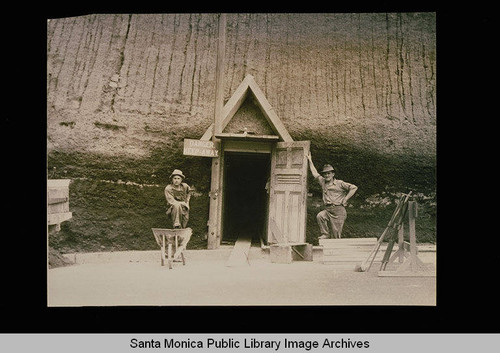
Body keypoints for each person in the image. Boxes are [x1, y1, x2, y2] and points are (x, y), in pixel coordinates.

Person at [307, 152, 358, 239]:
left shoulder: (339, 183)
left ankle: (335, 250)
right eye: (325, 174)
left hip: (339, 211)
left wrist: (345, 199)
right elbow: (315, 173)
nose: (326, 175)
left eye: (329, 173)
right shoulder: (323, 182)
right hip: (328, 209)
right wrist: (310, 160)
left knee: (336, 235)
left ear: (333, 174)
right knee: (320, 216)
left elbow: (354, 188)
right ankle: (325, 234)